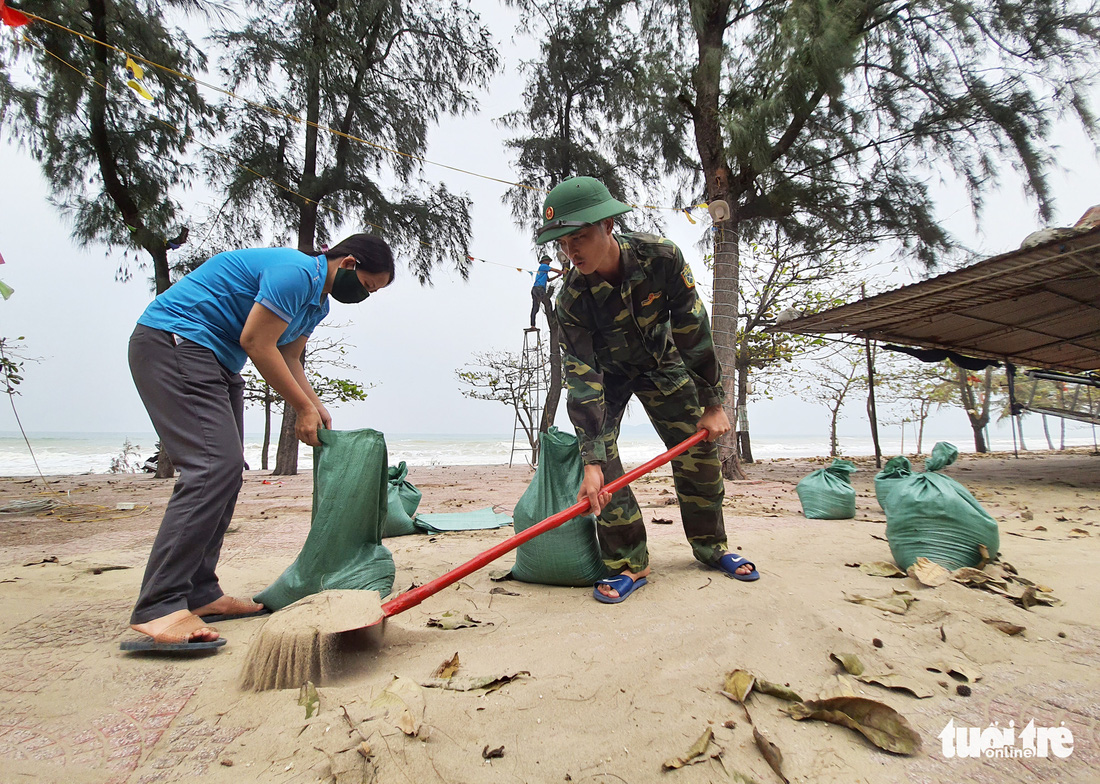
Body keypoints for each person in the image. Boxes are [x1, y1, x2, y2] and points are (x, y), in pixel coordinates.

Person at [123, 234, 395, 650]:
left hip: (216, 359)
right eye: (368, 285)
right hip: (176, 342)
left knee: (227, 473)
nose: (365, 295)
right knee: (212, 468)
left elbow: (289, 357)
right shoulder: (297, 273)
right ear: (348, 262)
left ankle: (201, 592)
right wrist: (300, 409)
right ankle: (158, 605)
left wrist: (314, 405)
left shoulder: (316, 303)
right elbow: (256, 342)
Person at [535, 176, 759, 603]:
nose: (572, 251)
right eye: (563, 243)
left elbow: (693, 327)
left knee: (700, 453)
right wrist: (591, 457)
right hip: (608, 377)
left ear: (608, 227)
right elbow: (583, 375)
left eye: (579, 237)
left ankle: (712, 548)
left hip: (663, 365)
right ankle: (628, 563)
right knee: (602, 469)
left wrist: (713, 401)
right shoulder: (571, 302)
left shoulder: (661, 258)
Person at [529, 254, 562, 329]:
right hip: (539, 288)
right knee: (548, 303)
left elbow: (548, 280)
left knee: (535, 308)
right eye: (548, 261)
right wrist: (563, 272)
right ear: (544, 261)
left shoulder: (543, 271)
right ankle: (553, 318)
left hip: (535, 289)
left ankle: (532, 325)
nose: (549, 263)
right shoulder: (543, 266)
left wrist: (557, 276)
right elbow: (554, 270)